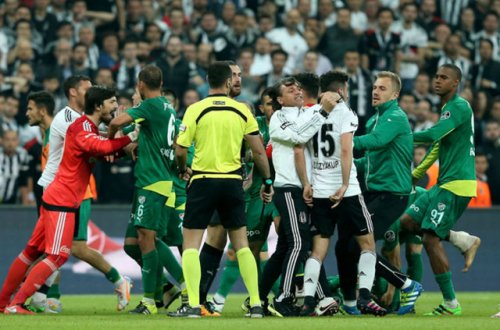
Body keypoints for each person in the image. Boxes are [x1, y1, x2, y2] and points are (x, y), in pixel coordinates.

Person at [0, 86, 135, 314]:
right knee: (59, 254)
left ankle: (4, 302)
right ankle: (16, 304)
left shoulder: (88, 128)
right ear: (99, 106)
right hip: (62, 199)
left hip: (57, 195)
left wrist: (127, 144)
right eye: (112, 102)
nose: (115, 106)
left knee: (32, 251)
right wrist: (131, 136)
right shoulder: (82, 127)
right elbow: (100, 146)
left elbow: (105, 151)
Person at [169, 61, 273, 318]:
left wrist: (183, 168)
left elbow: (180, 148)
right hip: (231, 182)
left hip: (203, 180)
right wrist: (268, 181)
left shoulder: (196, 109)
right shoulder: (241, 111)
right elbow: (258, 151)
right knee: (243, 245)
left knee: (191, 244)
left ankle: (193, 304)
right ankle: (257, 304)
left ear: (207, 80)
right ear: (228, 82)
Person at [300, 70, 386, 316]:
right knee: (367, 245)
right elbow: (346, 150)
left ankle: (308, 300)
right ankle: (365, 297)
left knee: (318, 250)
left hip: (318, 192)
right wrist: (345, 183)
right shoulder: (346, 113)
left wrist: (308, 182)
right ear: (340, 91)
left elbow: (301, 150)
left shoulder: (310, 113)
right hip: (345, 192)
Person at [338, 71, 423, 316]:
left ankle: (406, 285)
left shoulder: (396, 117)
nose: (375, 91)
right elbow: (370, 160)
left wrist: (339, 141)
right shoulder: (374, 119)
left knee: (358, 244)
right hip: (373, 192)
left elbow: (375, 142)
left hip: (393, 195)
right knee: (347, 244)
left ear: (395, 94)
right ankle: (354, 300)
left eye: (382, 89)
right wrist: (341, 163)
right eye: (374, 87)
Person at [400, 64, 481, 316]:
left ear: (455, 83)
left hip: (457, 184)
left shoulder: (457, 106)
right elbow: (437, 145)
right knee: (408, 222)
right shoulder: (448, 110)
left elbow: (433, 134)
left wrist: (399, 135)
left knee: (430, 238)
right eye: (436, 76)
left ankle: (451, 303)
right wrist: (415, 176)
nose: (437, 81)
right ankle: (461, 239)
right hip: (444, 183)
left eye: (443, 78)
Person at [258, 77, 338, 317]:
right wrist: (322, 112)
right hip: (289, 189)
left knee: (290, 247)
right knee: (299, 244)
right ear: (281, 100)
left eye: (298, 88)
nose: (297, 91)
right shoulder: (278, 119)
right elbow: (298, 138)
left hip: (309, 189)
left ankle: (319, 298)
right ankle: (283, 298)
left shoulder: (307, 113)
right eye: (290, 90)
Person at [109, 65, 180, 315]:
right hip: (154, 181)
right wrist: (132, 144)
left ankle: (152, 300)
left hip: (152, 181)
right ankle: (168, 290)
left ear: (141, 85)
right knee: (133, 243)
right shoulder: (166, 108)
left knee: (148, 239)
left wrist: (111, 141)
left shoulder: (149, 106)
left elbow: (117, 121)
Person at [210, 88, 280, 314]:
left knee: (288, 246)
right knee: (245, 251)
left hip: (277, 193)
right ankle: (260, 299)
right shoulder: (246, 127)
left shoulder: (277, 124)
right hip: (250, 197)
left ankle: (289, 295)